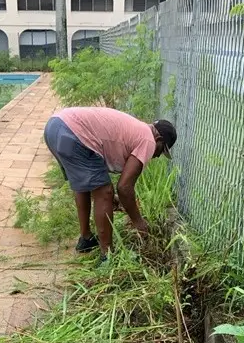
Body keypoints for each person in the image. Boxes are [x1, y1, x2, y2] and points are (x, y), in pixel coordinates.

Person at [42, 107, 177, 263]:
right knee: (105, 192)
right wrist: (139, 222)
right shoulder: (148, 140)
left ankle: (86, 239)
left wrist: (115, 199)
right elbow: (124, 188)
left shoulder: (137, 129)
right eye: (161, 150)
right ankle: (108, 256)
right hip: (73, 132)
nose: (158, 155)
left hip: (55, 127)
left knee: (83, 186)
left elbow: (95, 182)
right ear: (158, 139)